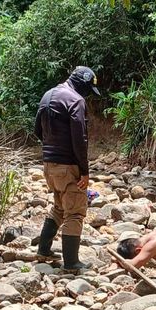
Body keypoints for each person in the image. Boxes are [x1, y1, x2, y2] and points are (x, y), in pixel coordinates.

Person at [33, 66, 101, 271]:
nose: (87, 94)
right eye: (88, 89)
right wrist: (84, 171)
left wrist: (52, 151)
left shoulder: (47, 95)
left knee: (59, 207)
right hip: (68, 165)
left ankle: (43, 250)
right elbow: (80, 139)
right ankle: (72, 262)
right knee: (75, 212)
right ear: (82, 83)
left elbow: (37, 130)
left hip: (49, 165)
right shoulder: (75, 100)